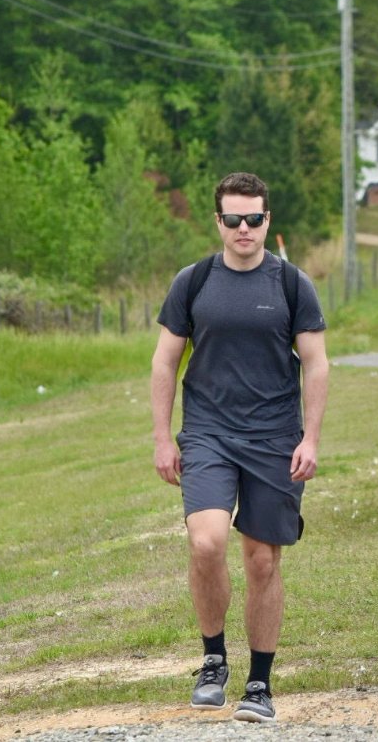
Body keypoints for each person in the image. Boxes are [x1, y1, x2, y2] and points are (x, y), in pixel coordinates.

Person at [151, 172, 329, 724]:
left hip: (275, 437)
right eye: (234, 219)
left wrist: (311, 437)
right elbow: (164, 361)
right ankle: (212, 660)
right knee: (206, 543)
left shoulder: (292, 284)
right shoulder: (194, 280)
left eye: (254, 218)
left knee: (260, 560)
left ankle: (259, 681)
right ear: (218, 222)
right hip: (208, 432)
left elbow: (318, 364)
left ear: (267, 220)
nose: (244, 228)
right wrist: (163, 437)